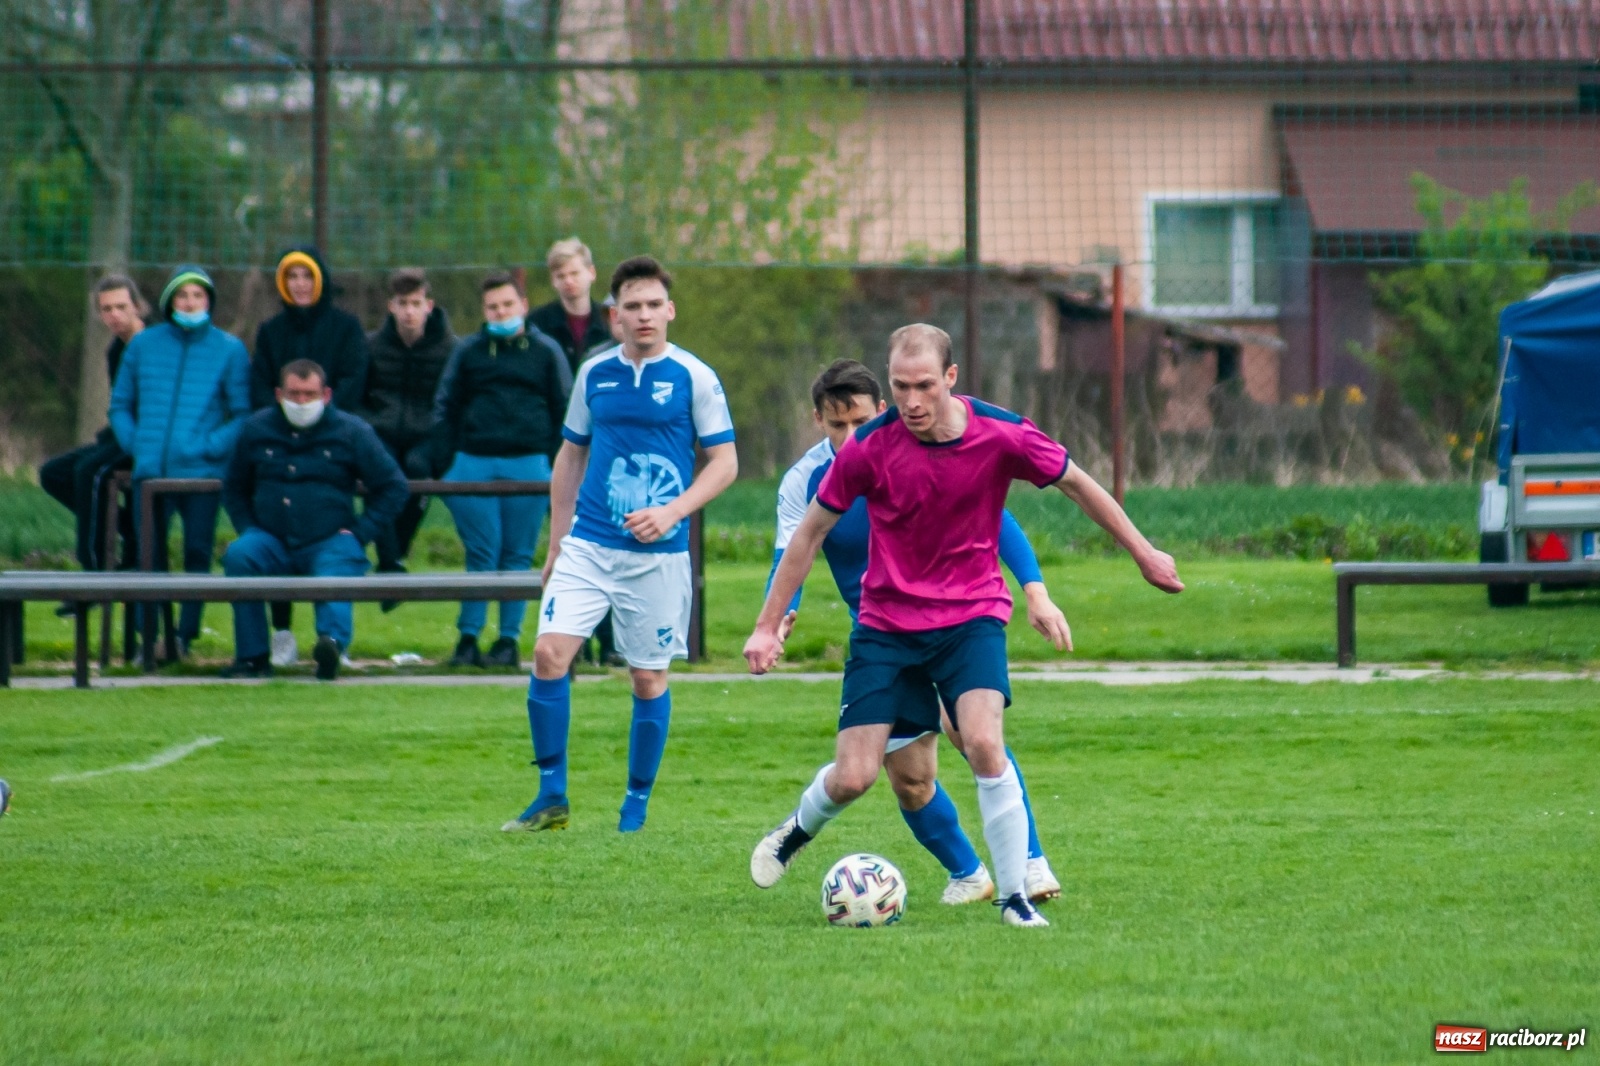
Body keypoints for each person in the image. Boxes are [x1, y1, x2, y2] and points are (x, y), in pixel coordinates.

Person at [744, 324, 1183, 928]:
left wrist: (1143, 552)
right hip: (886, 627)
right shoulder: (870, 448)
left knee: (980, 740)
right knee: (854, 778)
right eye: (901, 388)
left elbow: (1079, 486)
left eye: (925, 386)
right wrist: (767, 627)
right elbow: (808, 534)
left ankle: (1016, 896)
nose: (914, 402)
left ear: (951, 378)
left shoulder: (1001, 433)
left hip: (969, 617)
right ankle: (797, 832)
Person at [769, 358, 1064, 905]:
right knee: (908, 776)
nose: (850, 435)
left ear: (882, 410)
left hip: (952, 618)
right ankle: (969, 875)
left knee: (973, 734)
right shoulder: (804, 481)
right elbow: (795, 551)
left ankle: (1031, 865)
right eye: (837, 426)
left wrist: (1034, 587)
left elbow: (996, 518)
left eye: (861, 420)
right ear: (818, 421)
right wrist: (780, 616)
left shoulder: (916, 447)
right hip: (883, 635)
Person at [510, 255, 737, 834]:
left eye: (653, 305)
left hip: (657, 558)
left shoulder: (694, 376)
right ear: (614, 316)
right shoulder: (594, 375)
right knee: (547, 656)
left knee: (647, 678)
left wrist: (673, 512)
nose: (643, 316)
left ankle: (634, 808)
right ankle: (550, 796)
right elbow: (570, 457)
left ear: (670, 311)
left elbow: (725, 463)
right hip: (588, 544)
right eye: (631, 307)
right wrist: (557, 541)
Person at [220, 359, 409, 680]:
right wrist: (248, 528)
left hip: (331, 539)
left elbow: (393, 486)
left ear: (327, 394)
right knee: (240, 555)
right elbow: (234, 487)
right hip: (270, 538)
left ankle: (331, 648)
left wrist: (361, 532)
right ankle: (252, 656)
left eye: (310, 394)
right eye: (294, 394)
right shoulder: (256, 429)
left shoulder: (352, 431)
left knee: (335, 571)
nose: (302, 402)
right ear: (279, 394)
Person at [108, 264, 252, 658]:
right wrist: (138, 445)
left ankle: (184, 637)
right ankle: (148, 639)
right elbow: (120, 405)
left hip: (201, 475)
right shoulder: (142, 346)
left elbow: (242, 414)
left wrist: (209, 447)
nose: (190, 302)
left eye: (198, 295)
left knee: (197, 554)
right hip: (150, 472)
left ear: (209, 301)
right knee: (146, 556)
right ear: (170, 301)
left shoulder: (230, 349)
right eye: (182, 295)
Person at [431, 272, 572, 669]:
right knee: (482, 549)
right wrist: (445, 458)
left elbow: (564, 406)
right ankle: (468, 638)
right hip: (474, 461)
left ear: (523, 305)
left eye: (508, 304)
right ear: (484, 311)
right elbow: (447, 403)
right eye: (493, 307)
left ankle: (508, 641)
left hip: (529, 464)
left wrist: (554, 461)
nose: (501, 312)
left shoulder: (545, 351)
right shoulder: (468, 351)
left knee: (518, 554)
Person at [250, 245, 371, 667]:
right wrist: (285, 419)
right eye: (292, 277)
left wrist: (327, 419)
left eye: (307, 276)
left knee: (331, 540)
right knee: (268, 537)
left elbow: (356, 375)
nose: (300, 285)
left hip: (333, 441)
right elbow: (261, 381)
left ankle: (332, 642)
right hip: (280, 441)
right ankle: (279, 635)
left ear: (320, 281)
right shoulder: (270, 332)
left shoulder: (346, 328)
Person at [38, 276, 146, 576]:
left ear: (137, 307)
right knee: (53, 473)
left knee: (91, 472)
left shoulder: (150, 345)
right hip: (119, 436)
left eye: (121, 307)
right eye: (106, 309)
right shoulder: (115, 350)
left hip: (146, 437)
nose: (114, 315)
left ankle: (93, 570)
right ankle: (132, 529)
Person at [358, 268, 457, 584]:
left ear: (429, 304)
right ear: (391, 306)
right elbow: (356, 396)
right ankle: (389, 559)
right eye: (403, 303)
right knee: (380, 471)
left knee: (417, 470)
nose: (409, 311)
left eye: (416, 302)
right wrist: (369, 425)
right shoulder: (370, 346)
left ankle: (397, 552)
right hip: (382, 433)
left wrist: (440, 437)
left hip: (426, 437)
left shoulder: (450, 348)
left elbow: (454, 402)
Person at [528, 238, 614, 375]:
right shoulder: (537, 323)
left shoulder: (610, 319)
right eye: (561, 276)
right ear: (553, 280)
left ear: (591, 273)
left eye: (575, 273)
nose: (568, 281)